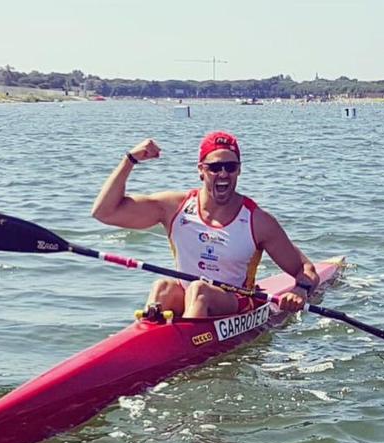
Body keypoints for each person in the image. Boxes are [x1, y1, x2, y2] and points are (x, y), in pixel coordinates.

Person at [91, 131, 319, 319]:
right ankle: (148, 340)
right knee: (163, 287)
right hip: (189, 294)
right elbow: (104, 212)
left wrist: (300, 290)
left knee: (199, 291)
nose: (223, 174)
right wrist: (130, 160)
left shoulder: (257, 221)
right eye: (215, 167)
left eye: (230, 167)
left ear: (239, 170)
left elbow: (306, 269)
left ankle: (185, 360)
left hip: (236, 302)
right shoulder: (174, 207)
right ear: (201, 170)